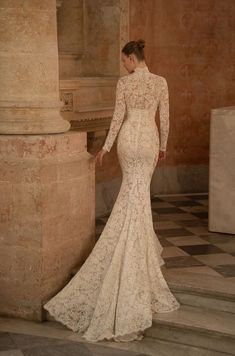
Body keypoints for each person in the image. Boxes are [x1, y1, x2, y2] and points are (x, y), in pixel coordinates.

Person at [44, 39, 180, 343]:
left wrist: (106, 147)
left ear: (133, 58)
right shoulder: (161, 82)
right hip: (148, 141)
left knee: (131, 194)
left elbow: (118, 118)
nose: (123, 66)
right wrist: (163, 146)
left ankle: (131, 245)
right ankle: (136, 250)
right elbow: (166, 118)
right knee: (139, 196)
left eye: (124, 61)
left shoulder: (124, 84)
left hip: (129, 140)